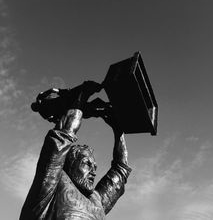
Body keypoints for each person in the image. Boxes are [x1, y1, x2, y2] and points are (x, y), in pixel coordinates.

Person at [20, 81, 132, 220]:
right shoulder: (53, 184)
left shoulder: (96, 201)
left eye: (94, 166)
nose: (93, 171)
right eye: (87, 164)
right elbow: (62, 137)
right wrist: (81, 97)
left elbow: (120, 172)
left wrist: (118, 130)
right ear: (69, 163)